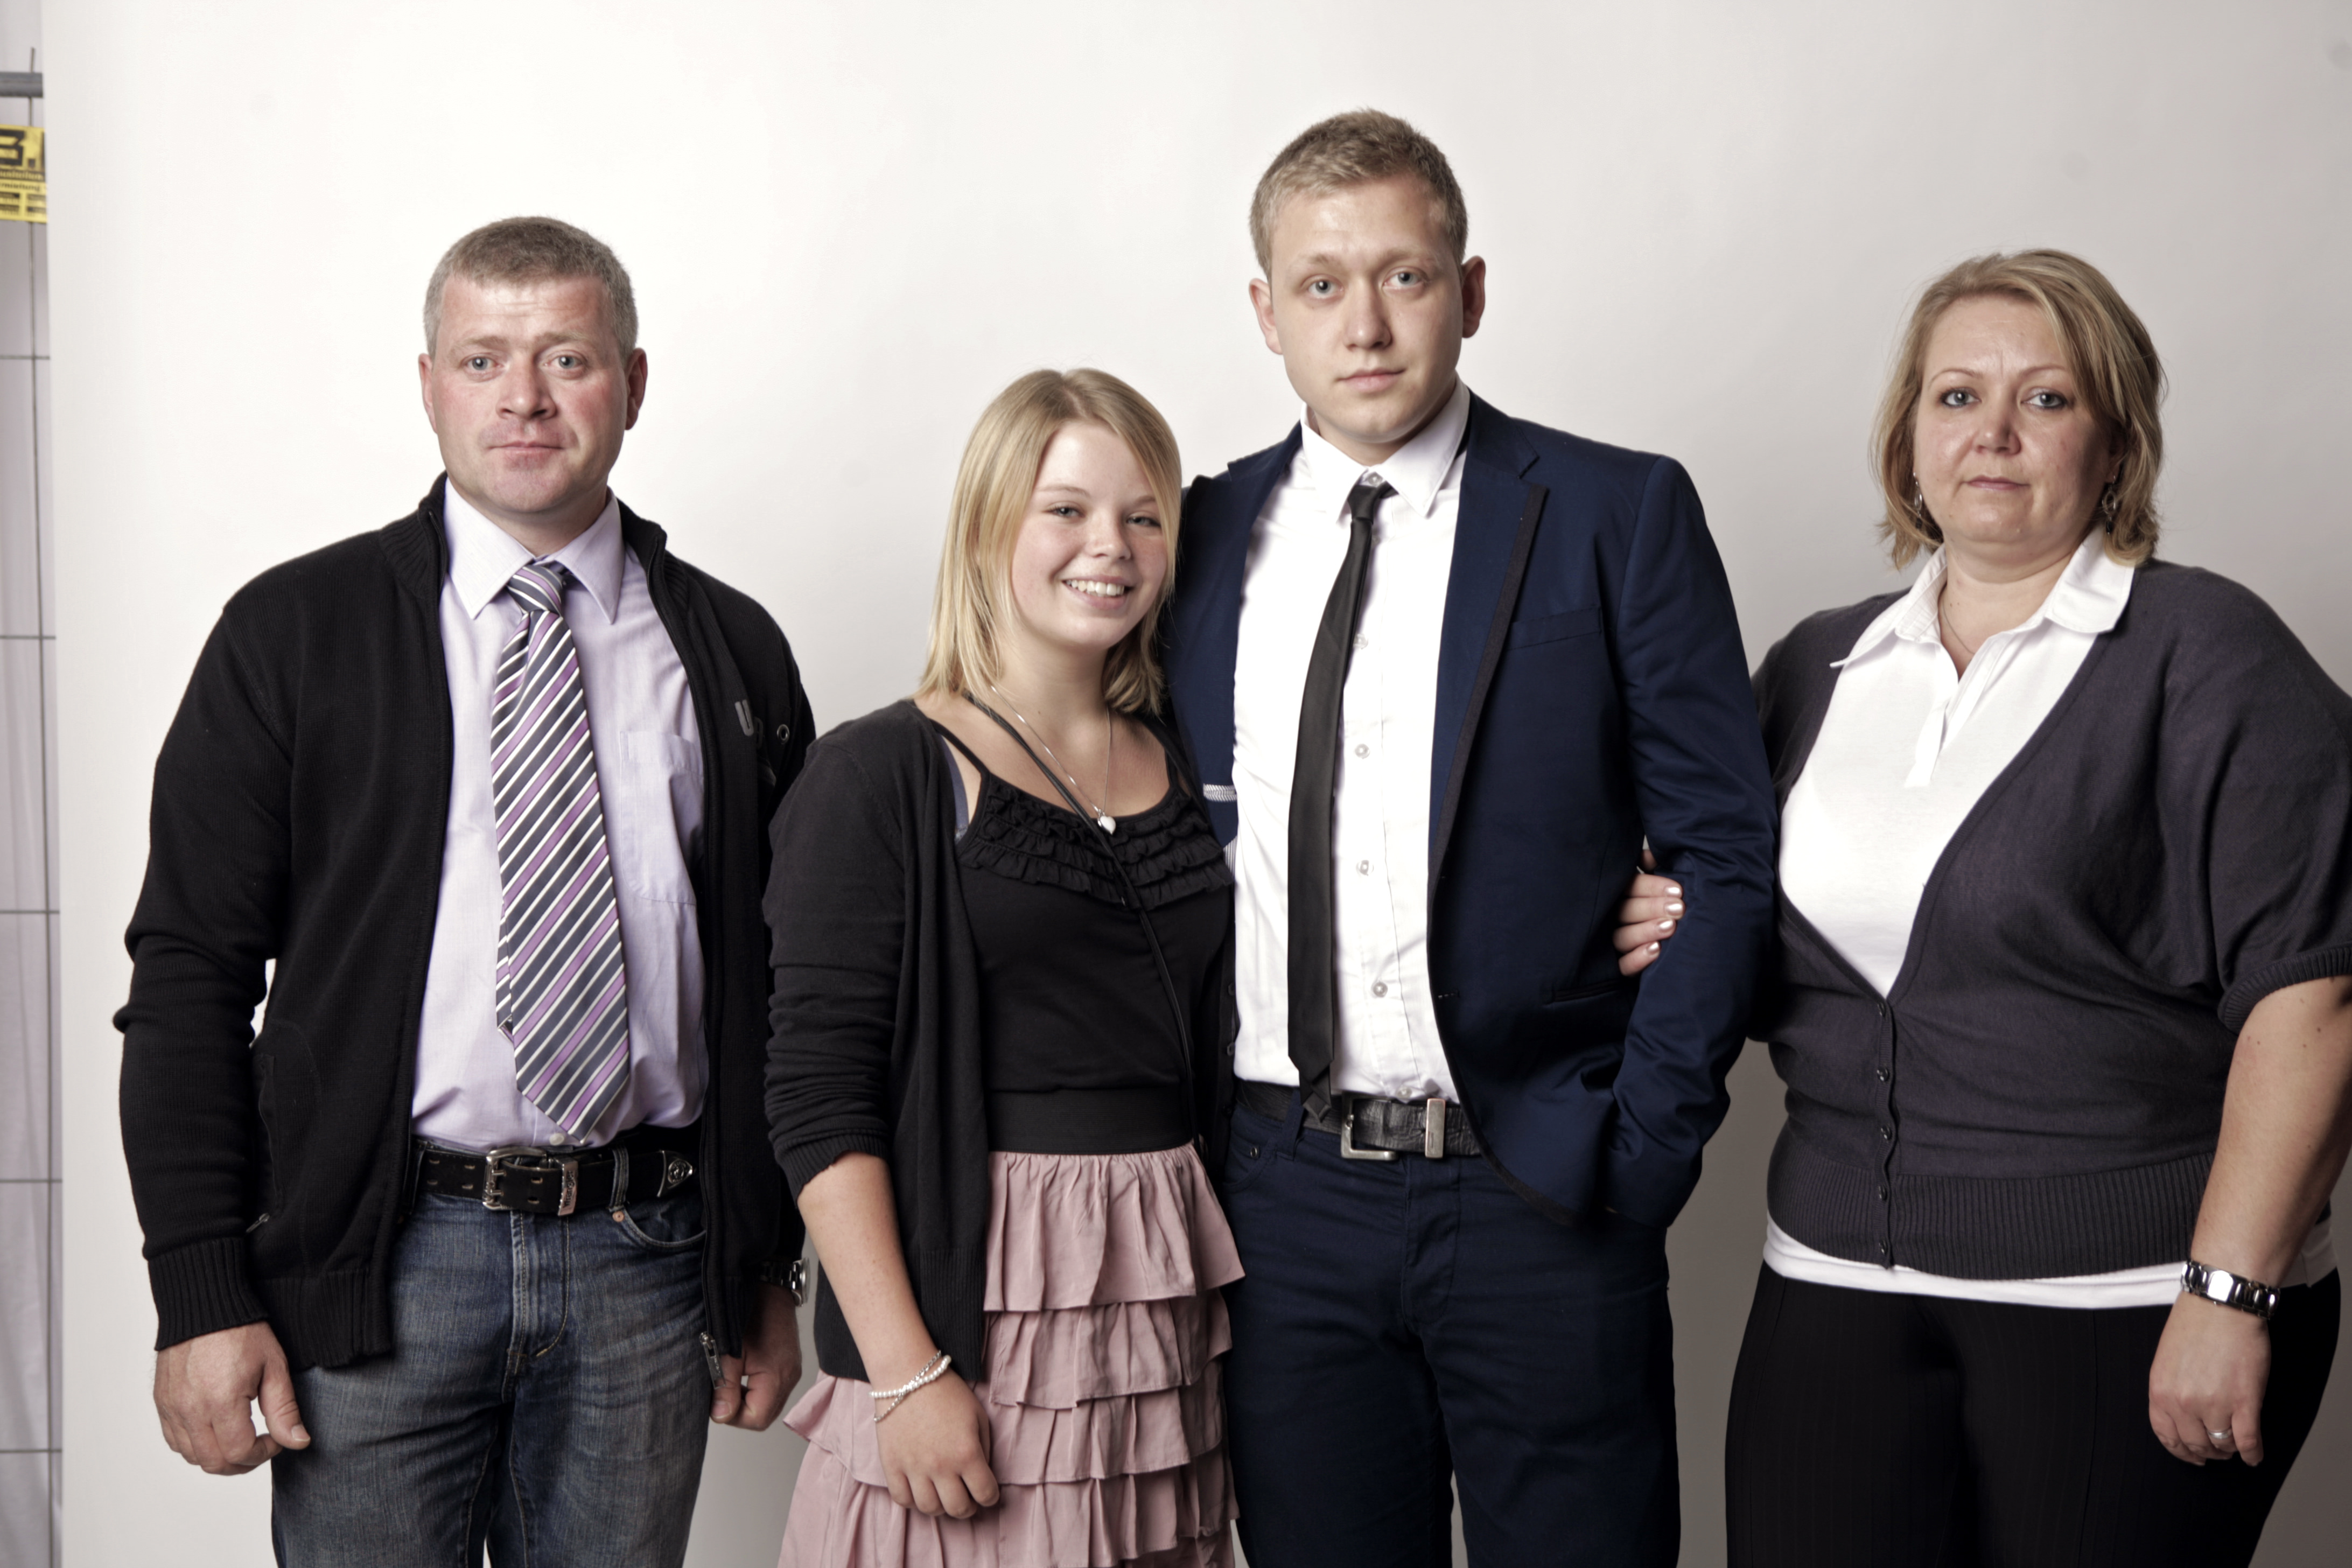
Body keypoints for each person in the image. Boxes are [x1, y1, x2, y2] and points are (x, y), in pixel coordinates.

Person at [116, 216, 814, 1567]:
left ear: (634, 383)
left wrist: (761, 1259)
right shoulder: (292, 634)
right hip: (383, 1256)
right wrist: (200, 1289)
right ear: (429, 385)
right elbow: (191, 976)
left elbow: (783, 988)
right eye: (484, 358)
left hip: (650, 1256)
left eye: (568, 357)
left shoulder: (730, 647)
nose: (525, 397)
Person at [1157, 110, 1778, 1565]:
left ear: (1471, 291)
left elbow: (1724, 852)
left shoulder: (1617, 511)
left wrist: (1641, 1149)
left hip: (1541, 1182)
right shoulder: (1195, 535)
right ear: (1266, 313)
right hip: (1283, 1199)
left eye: (1405, 277)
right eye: (1321, 285)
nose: (1365, 325)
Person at [1721, 249, 2352, 1565]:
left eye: (2048, 399)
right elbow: (1737, 926)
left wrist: (2229, 1291)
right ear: (1907, 440)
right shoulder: (1817, 666)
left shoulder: (2208, 653)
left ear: (2115, 446)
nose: (1993, 432)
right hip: (1833, 1282)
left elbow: (2319, 994)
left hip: (2130, 1295)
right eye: (1956, 396)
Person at [765, 369, 1241, 1566]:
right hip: (980, 1298)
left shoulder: (1195, 759)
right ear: (988, 528)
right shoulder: (881, 773)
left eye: (1143, 516)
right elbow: (819, 1096)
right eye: (1066, 510)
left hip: (1163, 1299)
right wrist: (904, 1371)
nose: (1110, 546)